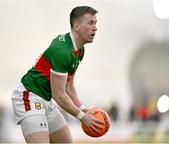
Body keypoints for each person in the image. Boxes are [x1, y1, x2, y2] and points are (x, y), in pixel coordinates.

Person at [11, 6, 104, 143]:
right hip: (29, 96)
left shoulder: (79, 50)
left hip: (46, 99)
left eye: (95, 23)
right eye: (91, 23)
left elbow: (68, 86)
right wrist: (82, 117)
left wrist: (83, 109)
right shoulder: (63, 51)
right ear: (76, 26)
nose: (95, 28)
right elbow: (59, 95)